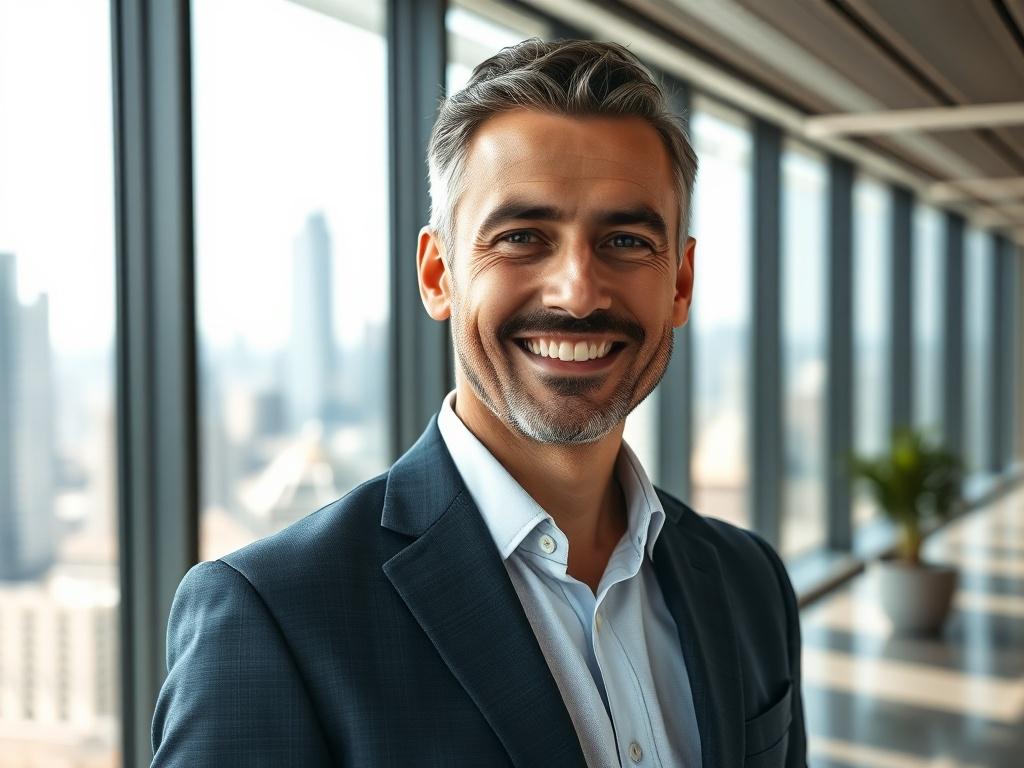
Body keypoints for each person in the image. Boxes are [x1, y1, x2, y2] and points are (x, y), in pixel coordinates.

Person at [152, 39, 807, 767]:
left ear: (680, 283)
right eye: (523, 238)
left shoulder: (751, 584)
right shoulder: (272, 616)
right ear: (439, 274)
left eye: (624, 239)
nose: (579, 292)